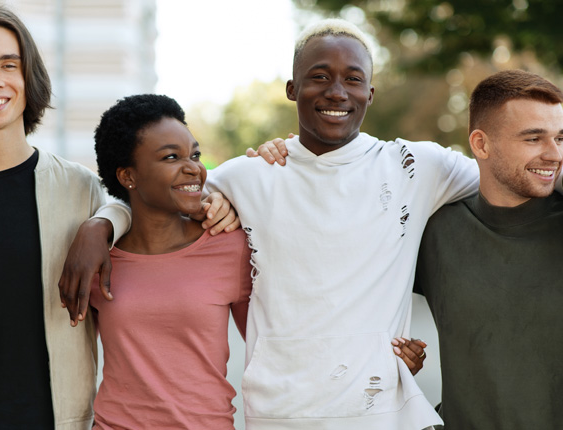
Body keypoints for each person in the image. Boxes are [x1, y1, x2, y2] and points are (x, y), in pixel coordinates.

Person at [63, 18, 474, 429]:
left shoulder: (419, 166)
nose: (337, 91)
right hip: (278, 416)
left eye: (353, 78)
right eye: (319, 76)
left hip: (383, 412)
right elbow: (157, 204)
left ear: (370, 91)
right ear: (292, 89)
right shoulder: (245, 175)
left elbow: (507, 180)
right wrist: (101, 223)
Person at [0, 6, 235, 429]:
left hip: (56, 420)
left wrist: (107, 221)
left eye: (10, 65)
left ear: (30, 81)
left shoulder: (80, 189)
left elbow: (140, 208)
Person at [89, 94, 253, 429]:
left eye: (194, 154)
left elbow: (270, 344)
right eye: (171, 157)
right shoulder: (97, 261)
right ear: (128, 176)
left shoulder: (230, 247)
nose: (193, 167)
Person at [413, 69, 563, 429]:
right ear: (481, 144)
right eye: (533, 139)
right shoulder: (433, 231)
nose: (554, 154)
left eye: (560, 138)